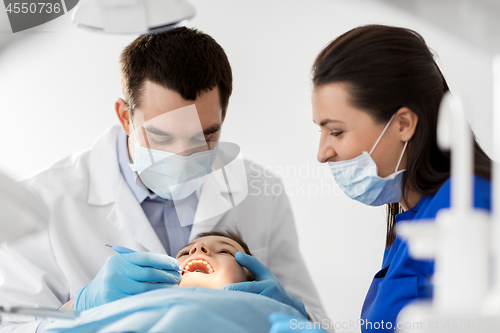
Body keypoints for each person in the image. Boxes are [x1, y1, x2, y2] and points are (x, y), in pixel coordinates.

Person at [0, 27, 328, 332]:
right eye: (162, 137)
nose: (184, 157)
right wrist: (83, 305)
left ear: (222, 117)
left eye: (204, 137)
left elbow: (316, 323)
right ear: (125, 117)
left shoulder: (260, 191)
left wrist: (287, 309)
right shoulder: (39, 202)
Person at [267, 24, 492, 332]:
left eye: (336, 131)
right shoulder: (409, 216)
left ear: (403, 124)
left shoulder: (470, 203)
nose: (322, 153)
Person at [45, 230, 307, 333]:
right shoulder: (126, 307)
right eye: (184, 253)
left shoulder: (274, 309)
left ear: (251, 278)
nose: (199, 250)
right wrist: (80, 305)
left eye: (225, 251)